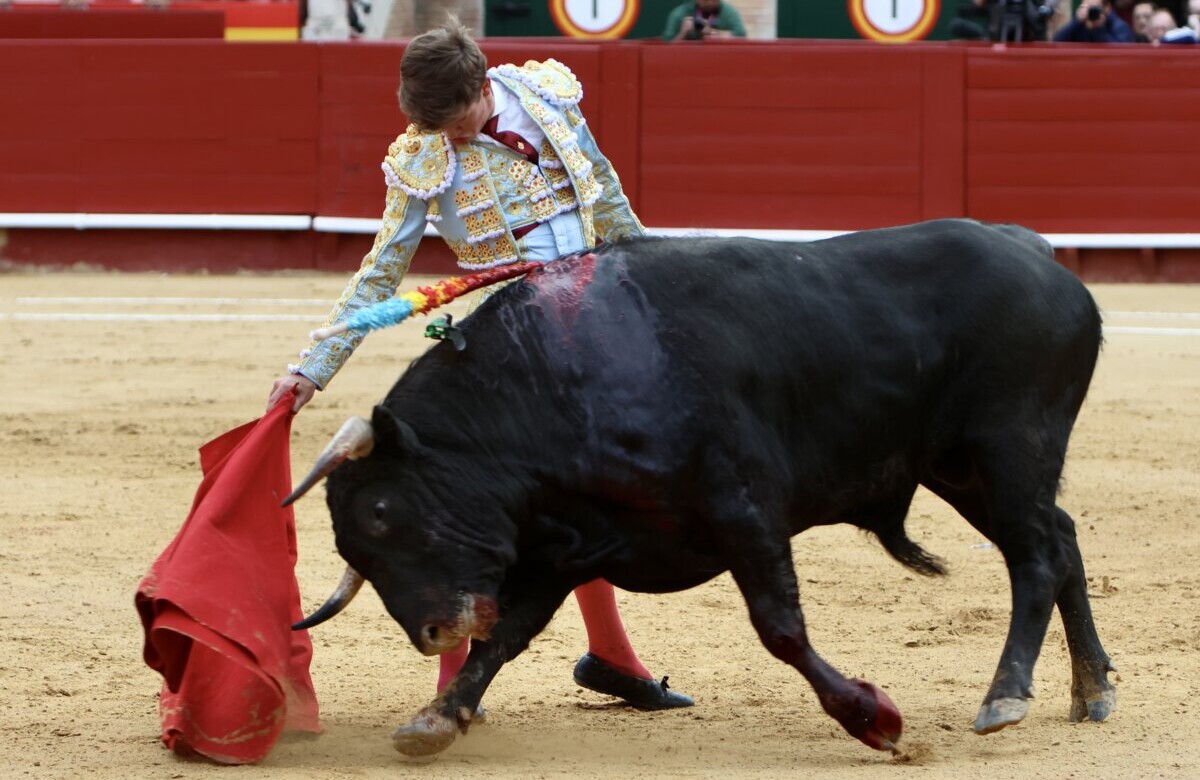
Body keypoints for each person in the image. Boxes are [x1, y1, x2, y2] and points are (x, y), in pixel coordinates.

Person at [267, 18, 692, 712]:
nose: (450, 138)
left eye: (457, 121)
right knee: (467, 505)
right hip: (510, 347)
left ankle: (611, 656)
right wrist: (313, 369)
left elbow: (607, 200)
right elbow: (380, 277)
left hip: (592, 326)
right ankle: (456, 685)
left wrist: (659, 292)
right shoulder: (421, 156)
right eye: (434, 128)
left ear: (481, 86)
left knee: (586, 494)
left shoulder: (547, 95)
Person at [663, 0, 747, 41]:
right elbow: (665, 50)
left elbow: (741, 36)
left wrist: (711, 31)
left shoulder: (729, 12)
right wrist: (682, 33)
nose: (710, 3)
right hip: (686, 61)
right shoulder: (679, 14)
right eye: (705, 0)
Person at [1053, 0, 1135, 40]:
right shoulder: (1080, 25)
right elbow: (1057, 42)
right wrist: (1076, 22)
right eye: (1087, 8)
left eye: (1094, 8)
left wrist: (1098, 29)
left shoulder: (1119, 26)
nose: (1091, 12)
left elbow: (1119, 52)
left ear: (1107, 8)